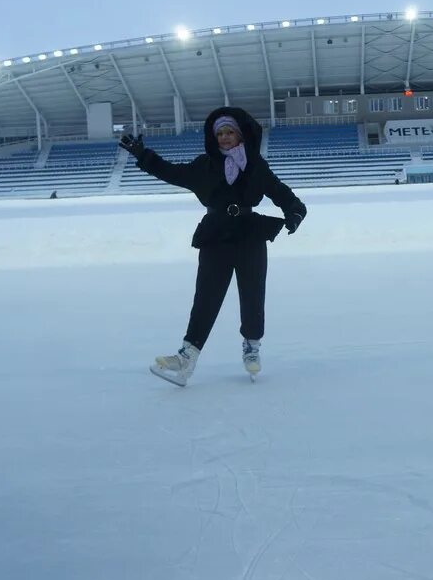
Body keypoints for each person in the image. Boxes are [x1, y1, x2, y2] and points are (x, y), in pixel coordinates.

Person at [119, 107, 307, 386]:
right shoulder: (203, 166)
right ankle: (187, 357)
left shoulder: (256, 165)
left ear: (239, 134)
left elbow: (281, 192)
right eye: (219, 133)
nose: (225, 137)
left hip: (249, 235)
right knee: (206, 298)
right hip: (216, 235)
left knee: (253, 293)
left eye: (229, 131)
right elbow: (171, 172)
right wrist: (143, 155)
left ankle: (252, 346)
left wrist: (295, 213)